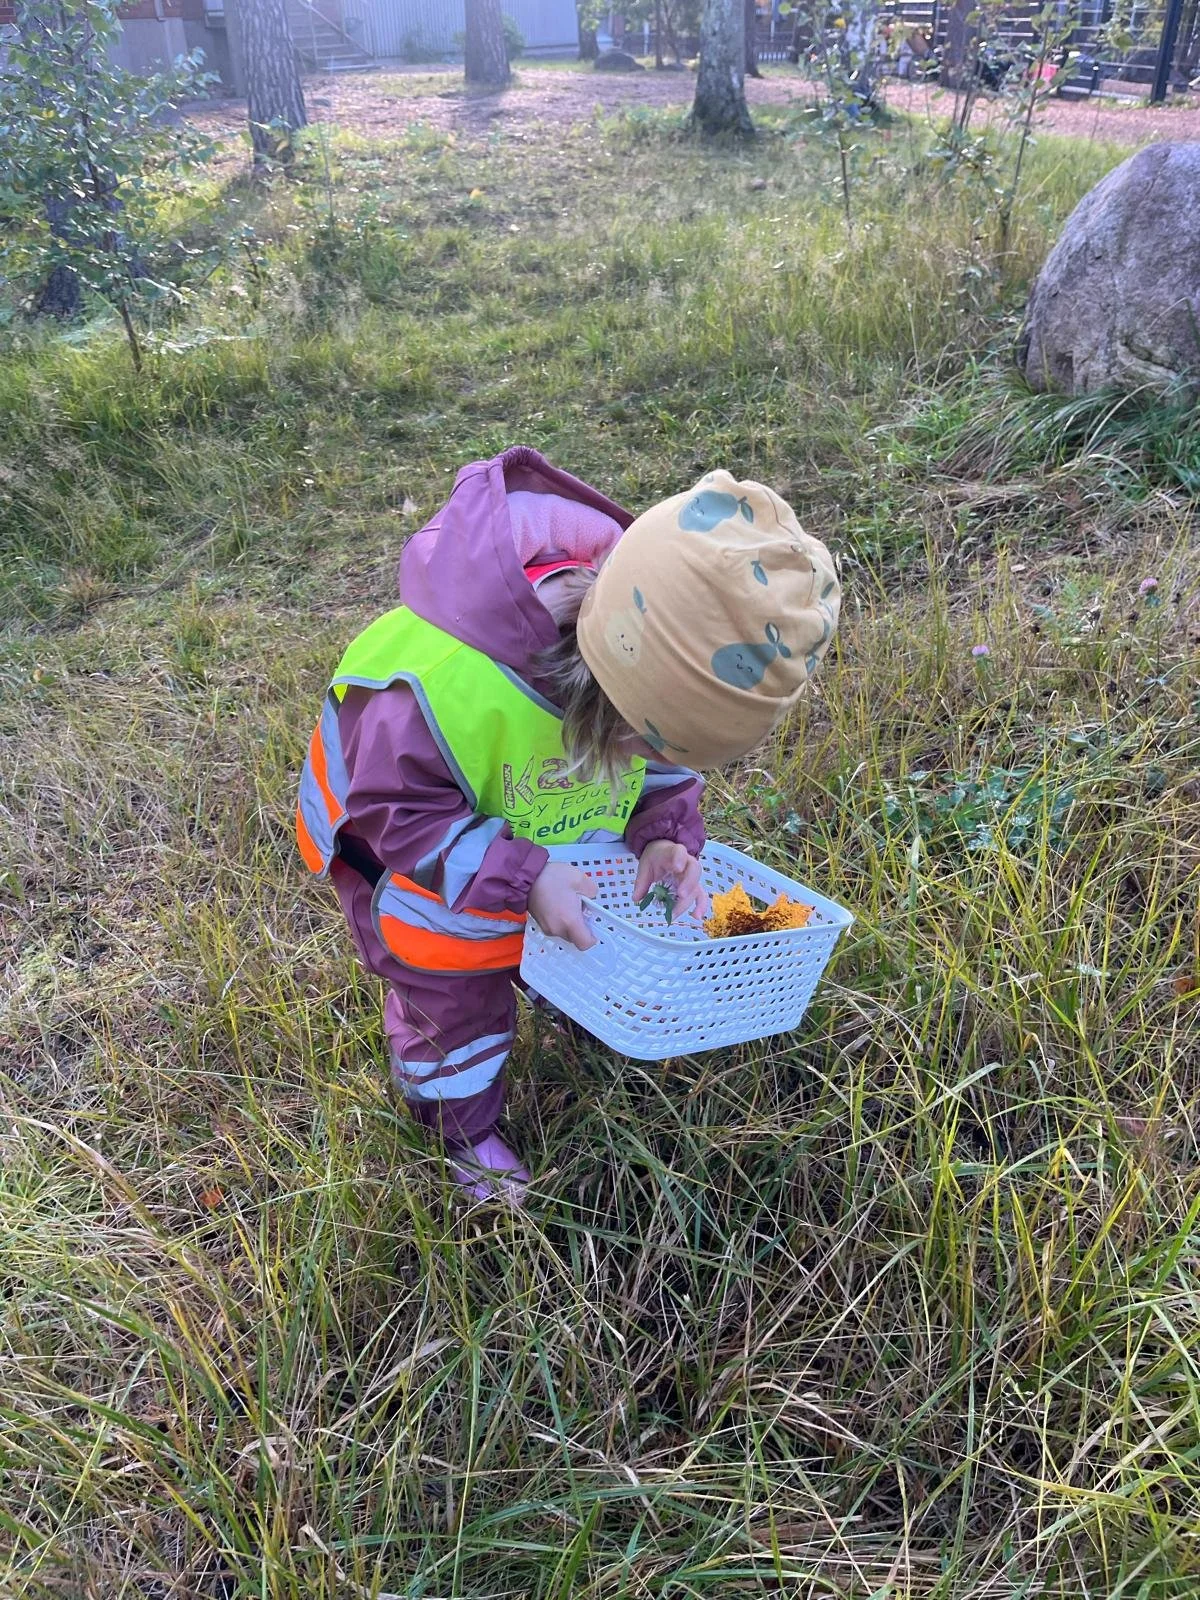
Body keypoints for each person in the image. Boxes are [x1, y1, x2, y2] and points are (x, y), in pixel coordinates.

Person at [297, 446, 840, 1202]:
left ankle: (559, 989)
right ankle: (462, 1133)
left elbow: (664, 772)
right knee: (455, 1008)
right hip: (417, 875)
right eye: (651, 742)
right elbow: (403, 817)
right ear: (613, 684)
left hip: (539, 839)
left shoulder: (633, 686)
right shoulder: (444, 685)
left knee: (569, 939)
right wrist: (525, 879)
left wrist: (662, 833)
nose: (656, 759)